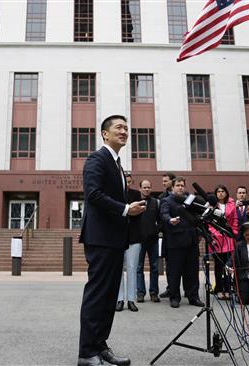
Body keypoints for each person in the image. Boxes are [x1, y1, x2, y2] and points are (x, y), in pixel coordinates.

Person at [78, 115, 146, 366]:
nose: (124, 131)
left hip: (116, 239)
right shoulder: (97, 159)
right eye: (119, 127)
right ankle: (86, 353)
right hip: (100, 238)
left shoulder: (117, 164)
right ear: (104, 134)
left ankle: (100, 346)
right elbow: (93, 194)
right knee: (97, 295)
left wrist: (131, 208)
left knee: (108, 298)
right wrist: (126, 209)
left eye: (127, 128)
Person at [160, 176, 204, 308]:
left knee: (192, 271)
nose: (180, 187)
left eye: (182, 185)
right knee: (174, 271)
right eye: (177, 185)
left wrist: (201, 232)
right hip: (175, 242)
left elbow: (199, 216)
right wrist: (170, 220)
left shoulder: (190, 199)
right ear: (172, 187)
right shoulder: (167, 201)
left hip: (191, 240)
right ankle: (174, 297)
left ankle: (193, 297)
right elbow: (164, 214)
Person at [116, 173, 142, 312]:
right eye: (125, 181)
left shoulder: (137, 195)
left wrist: (125, 211)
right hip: (117, 237)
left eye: (129, 181)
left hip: (134, 237)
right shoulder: (114, 194)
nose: (127, 184)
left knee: (132, 268)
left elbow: (138, 213)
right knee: (118, 269)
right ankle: (119, 299)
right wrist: (128, 210)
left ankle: (131, 300)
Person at [210, 184, 239, 300]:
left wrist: (234, 231)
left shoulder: (231, 205)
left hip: (229, 237)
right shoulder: (213, 206)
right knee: (218, 266)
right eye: (218, 191)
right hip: (217, 238)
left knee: (228, 266)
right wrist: (214, 233)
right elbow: (209, 222)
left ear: (226, 193)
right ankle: (219, 288)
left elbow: (235, 220)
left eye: (223, 191)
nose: (220, 193)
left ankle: (227, 289)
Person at [136, 179, 161, 303]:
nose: (146, 189)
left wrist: (156, 230)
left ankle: (153, 293)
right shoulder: (135, 203)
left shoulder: (156, 202)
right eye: (144, 187)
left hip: (153, 240)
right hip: (139, 241)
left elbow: (161, 220)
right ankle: (140, 293)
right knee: (138, 267)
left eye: (148, 187)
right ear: (140, 188)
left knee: (155, 267)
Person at [158, 172, 175, 299]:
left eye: (166, 181)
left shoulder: (184, 195)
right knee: (169, 265)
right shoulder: (161, 197)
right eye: (163, 181)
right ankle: (171, 289)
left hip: (183, 235)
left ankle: (189, 291)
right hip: (168, 235)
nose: (163, 183)